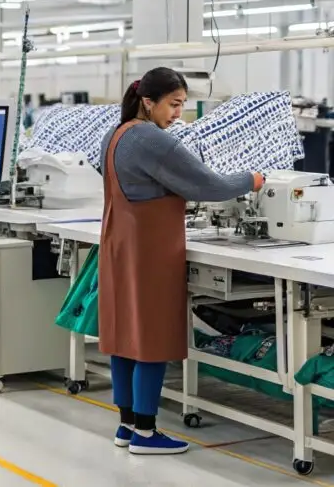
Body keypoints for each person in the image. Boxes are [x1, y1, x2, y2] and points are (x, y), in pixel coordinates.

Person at [99, 67, 264, 455]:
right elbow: (210, 185)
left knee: (123, 337)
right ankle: (146, 433)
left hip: (119, 246)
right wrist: (255, 179)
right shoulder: (150, 139)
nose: (178, 114)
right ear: (148, 102)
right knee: (153, 338)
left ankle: (126, 426)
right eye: (173, 105)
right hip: (150, 252)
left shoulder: (116, 133)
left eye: (182, 106)